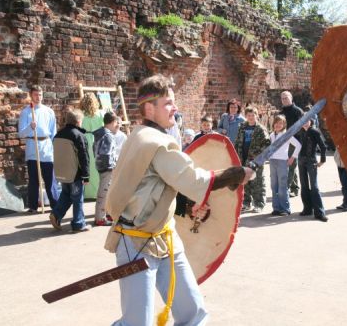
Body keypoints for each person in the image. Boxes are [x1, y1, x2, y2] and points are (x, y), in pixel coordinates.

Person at [103, 74, 254, 326]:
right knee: (137, 323)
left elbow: (154, 185)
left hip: (166, 237)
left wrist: (184, 206)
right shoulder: (157, 143)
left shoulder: (137, 135)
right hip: (136, 241)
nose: (175, 108)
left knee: (192, 311)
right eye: (167, 103)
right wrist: (237, 174)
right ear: (149, 108)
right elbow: (196, 181)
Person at [18, 85, 59, 213]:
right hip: (32, 145)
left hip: (46, 146)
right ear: (31, 95)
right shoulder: (26, 112)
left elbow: (53, 132)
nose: (38, 97)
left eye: (40, 94)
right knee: (33, 179)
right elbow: (21, 134)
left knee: (50, 178)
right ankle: (33, 206)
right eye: (36, 94)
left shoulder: (49, 111)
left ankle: (55, 205)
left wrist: (53, 147)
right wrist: (30, 127)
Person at [49, 109, 91, 232]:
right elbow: (84, 157)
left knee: (66, 195)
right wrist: (86, 175)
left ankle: (56, 215)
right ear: (78, 122)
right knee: (78, 198)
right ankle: (78, 223)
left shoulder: (58, 135)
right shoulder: (78, 136)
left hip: (62, 173)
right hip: (75, 174)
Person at [235, 106, 270, 213]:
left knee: (257, 182)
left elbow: (267, 145)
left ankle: (259, 204)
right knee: (245, 182)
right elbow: (237, 142)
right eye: (248, 115)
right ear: (246, 116)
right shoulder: (242, 127)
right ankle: (246, 202)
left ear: (256, 116)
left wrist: (257, 156)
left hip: (256, 160)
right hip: (243, 158)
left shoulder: (261, 129)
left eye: (253, 115)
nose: (250, 117)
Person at [269, 115, 301, 216]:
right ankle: (276, 208)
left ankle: (285, 209)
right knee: (274, 185)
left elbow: (298, 145)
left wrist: (292, 157)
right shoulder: (271, 135)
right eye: (276, 123)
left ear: (284, 125)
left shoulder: (286, 135)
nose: (278, 125)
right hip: (272, 161)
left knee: (282, 186)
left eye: (281, 123)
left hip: (282, 162)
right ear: (273, 123)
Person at [92, 112, 120, 226]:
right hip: (107, 168)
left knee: (106, 191)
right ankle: (100, 218)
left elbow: (95, 150)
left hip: (100, 165)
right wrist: (111, 166)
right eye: (116, 123)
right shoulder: (108, 136)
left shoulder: (99, 133)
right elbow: (107, 154)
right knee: (104, 192)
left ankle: (107, 213)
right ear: (113, 122)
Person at [298, 119, 328, 222]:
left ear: (311, 121)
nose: (305, 122)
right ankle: (307, 209)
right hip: (301, 161)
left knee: (314, 186)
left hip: (311, 161)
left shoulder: (314, 132)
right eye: (303, 120)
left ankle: (319, 212)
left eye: (307, 120)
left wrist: (322, 160)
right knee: (304, 185)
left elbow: (323, 147)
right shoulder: (299, 131)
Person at [80, 92, 105, 199]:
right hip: (98, 140)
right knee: (97, 166)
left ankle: (87, 193)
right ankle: (98, 192)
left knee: (87, 166)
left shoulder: (81, 114)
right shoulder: (101, 113)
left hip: (85, 140)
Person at [280, 91, 303, 197]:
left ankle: (287, 188)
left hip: (295, 142)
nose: (284, 100)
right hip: (283, 142)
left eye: (286, 98)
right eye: (282, 98)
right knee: (289, 165)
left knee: (291, 165)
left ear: (291, 98)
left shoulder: (297, 111)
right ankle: (295, 188)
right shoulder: (281, 112)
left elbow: (302, 127)